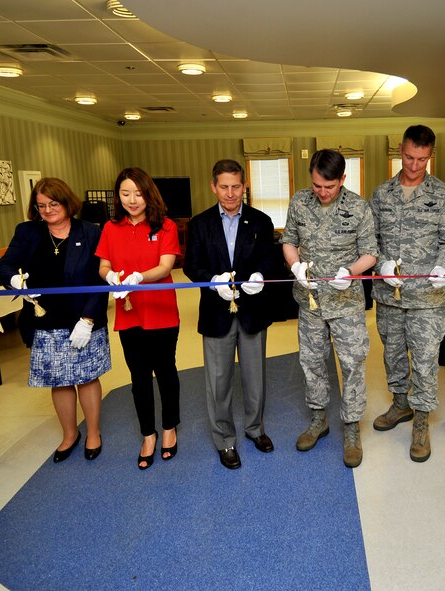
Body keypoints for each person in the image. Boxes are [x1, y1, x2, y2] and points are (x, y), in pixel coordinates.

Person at [0, 178, 110, 463]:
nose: (47, 210)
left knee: (86, 377)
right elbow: (4, 264)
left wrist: (88, 319)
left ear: (66, 202)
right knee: (58, 380)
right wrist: (12, 279)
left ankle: (93, 432)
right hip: (45, 319)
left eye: (53, 204)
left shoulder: (91, 231)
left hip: (83, 318)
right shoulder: (27, 232)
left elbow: (102, 278)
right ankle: (70, 434)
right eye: (41, 205)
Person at [369, 125, 445, 462]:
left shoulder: (444, 194)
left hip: (428, 298)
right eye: (409, 157)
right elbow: (370, 241)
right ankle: (400, 404)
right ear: (400, 149)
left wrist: (444, 267)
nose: (414, 165)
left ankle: (421, 422)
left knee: (424, 361)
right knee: (393, 355)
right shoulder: (381, 194)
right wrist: (380, 264)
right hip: (390, 296)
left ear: (431, 155)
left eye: (422, 159)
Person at [282, 149, 378, 468]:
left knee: (352, 364)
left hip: (346, 302)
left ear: (342, 180)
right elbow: (289, 241)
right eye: (317, 186)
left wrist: (351, 271)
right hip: (310, 301)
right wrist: (295, 265)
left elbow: (371, 253)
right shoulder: (299, 202)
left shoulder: (358, 207)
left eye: (329, 186)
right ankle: (318, 418)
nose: (322, 192)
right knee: (312, 361)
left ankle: (351, 428)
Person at [184, 159, 277, 470]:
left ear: (244, 185)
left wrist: (260, 276)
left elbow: (269, 260)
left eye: (236, 186)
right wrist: (212, 282)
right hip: (216, 312)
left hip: (252, 311)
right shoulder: (200, 224)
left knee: (255, 378)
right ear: (214, 187)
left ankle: (255, 429)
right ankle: (225, 440)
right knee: (218, 381)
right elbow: (191, 265)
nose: (230, 193)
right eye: (223, 187)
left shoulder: (261, 221)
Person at [96, 167, 182, 470]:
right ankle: (148, 433)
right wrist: (110, 276)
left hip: (161, 309)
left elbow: (165, 266)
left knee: (166, 371)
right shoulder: (110, 227)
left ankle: (170, 427)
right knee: (139, 377)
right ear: (118, 196)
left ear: (149, 194)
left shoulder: (166, 225)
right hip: (128, 311)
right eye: (125, 193)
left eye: (138, 193)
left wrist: (138, 276)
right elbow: (103, 265)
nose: (132, 200)